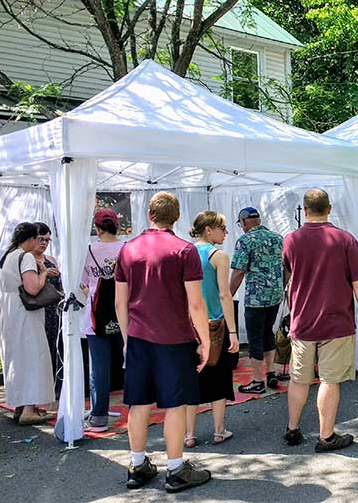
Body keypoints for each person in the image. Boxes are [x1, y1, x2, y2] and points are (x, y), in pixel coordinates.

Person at [114, 191, 211, 493]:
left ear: (149, 214)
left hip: (139, 335)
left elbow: (120, 301)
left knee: (138, 402)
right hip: (175, 337)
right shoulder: (184, 250)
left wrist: (127, 336)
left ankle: (137, 463)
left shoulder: (128, 248)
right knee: (175, 404)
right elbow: (196, 303)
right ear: (177, 216)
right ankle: (175, 468)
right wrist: (205, 340)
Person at [282, 189, 358, 452]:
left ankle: (292, 429)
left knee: (299, 379)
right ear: (329, 208)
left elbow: (290, 277)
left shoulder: (290, 240)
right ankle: (325, 436)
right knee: (329, 380)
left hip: (302, 320)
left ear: (305, 209)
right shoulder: (345, 239)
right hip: (336, 320)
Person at [184, 211, 240, 447]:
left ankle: (189, 435)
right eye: (223, 228)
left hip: (189, 325)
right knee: (219, 378)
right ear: (209, 229)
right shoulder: (219, 256)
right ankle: (218, 430)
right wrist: (234, 332)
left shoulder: (184, 253)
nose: (226, 233)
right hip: (215, 323)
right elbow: (224, 295)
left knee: (191, 379)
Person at [0, 222, 55, 425]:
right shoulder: (27, 256)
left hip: (8, 309)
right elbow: (32, 288)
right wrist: (45, 274)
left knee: (16, 358)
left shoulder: (8, 255)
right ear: (30, 239)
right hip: (24, 311)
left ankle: (20, 405)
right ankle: (29, 409)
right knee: (32, 357)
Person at [79, 209, 125, 432]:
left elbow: (83, 283)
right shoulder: (126, 248)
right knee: (133, 359)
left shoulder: (89, 250)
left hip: (96, 315)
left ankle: (99, 415)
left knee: (99, 366)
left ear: (97, 228)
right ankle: (140, 406)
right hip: (125, 312)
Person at [230, 207, 284, 394]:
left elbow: (238, 272)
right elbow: (287, 266)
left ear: (244, 222)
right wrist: (282, 286)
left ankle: (257, 380)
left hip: (256, 298)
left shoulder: (245, 240)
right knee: (268, 332)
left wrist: (228, 294)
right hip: (275, 295)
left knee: (255, 337)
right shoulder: (278, 238)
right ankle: (271, 373)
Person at [32, 222, 63, 400]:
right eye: (40, 239)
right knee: (39, 351)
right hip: (38, 310)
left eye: (47, 240)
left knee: (54, 349)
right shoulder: (27, 259)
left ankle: (53, 388)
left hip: (54, 310)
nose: (43, 243)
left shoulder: (51, 259)